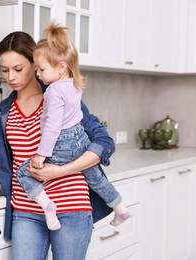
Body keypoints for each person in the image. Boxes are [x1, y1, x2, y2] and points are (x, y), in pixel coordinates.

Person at [0, 30, 115, 260]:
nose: (11, 76)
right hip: (26, 210)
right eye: (4, 70)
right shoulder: (1, 113)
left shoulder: (60, 96)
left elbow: (103, 143)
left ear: (35, 63)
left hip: (71, 206)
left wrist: (59, 171)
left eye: (18, 69)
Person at [15, 22, 129, 231]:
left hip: (62, 143)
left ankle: (47, 206)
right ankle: (120, 207)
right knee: (95, 177)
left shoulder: (53, 91)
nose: (38, 74)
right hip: (81, 140)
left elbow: (53, 126)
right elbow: (76, 117)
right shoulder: (74, 85)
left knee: (24, 171)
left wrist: (42, 154)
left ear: (61, 67)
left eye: (41, 69)